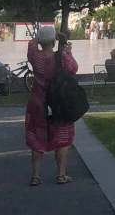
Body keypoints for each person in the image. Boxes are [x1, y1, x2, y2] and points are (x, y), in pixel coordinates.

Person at [25, 26, 78, 186]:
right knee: (62, 137)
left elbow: (32, 43)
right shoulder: (62, 58)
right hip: (59, 104)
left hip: (38, 102)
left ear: (41, 41)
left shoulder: (35, 56)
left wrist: (42, 37)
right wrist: (68, 51)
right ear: (54, 41)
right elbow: (74, 69)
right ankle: (61, 175)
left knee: (36, 137)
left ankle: (35, 176)